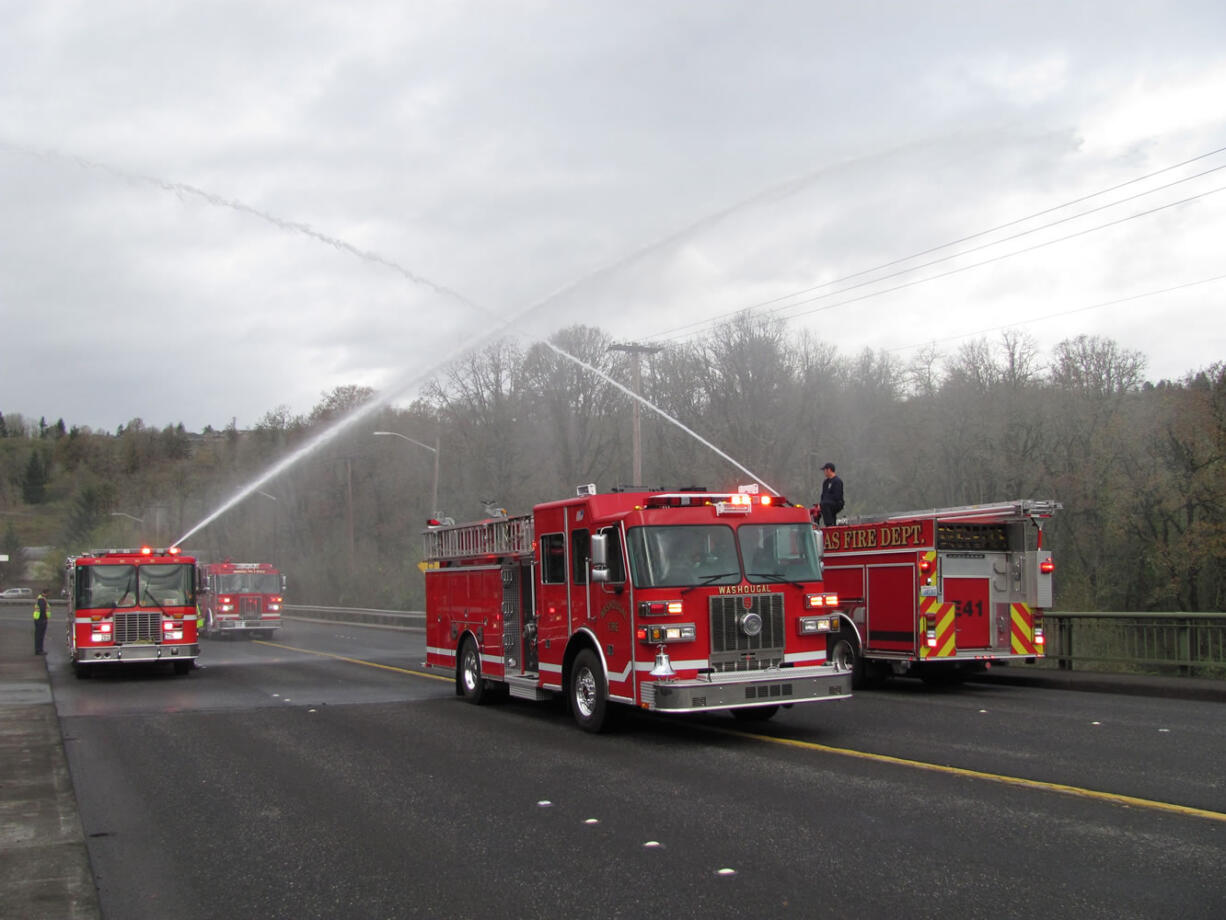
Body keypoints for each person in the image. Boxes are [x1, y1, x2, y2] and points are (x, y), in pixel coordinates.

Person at [818, 462, 844, 526]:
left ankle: (830, 525)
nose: (824, 472)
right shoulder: (825, 482)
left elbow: (837, 496)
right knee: (821, 505)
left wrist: (825, 501)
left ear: (829, 470)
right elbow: (823, 495)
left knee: (825, 504)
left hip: (837, 503)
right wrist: (820, 504)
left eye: (824, 470)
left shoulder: (837, 481)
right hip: (827, 503)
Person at [33, 590, 49, 655]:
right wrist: (44, 619)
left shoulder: (40, 599)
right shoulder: (42, 600)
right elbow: (43, 610)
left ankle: (38, 650)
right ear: (44, 593)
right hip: (41, 620)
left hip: (38, 619)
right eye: (47, 593)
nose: (48, 595)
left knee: (38, 636)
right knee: (40, 636)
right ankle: (39, 650)